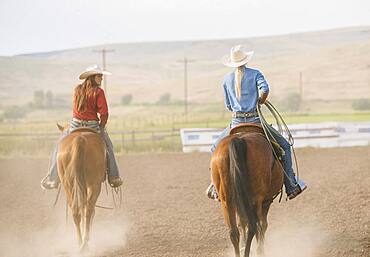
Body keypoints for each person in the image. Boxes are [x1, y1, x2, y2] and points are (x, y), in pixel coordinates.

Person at [206, 45, 306, 201]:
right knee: (285, 146)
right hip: (255, 120)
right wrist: (261, 99)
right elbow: (265, 89)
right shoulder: (255, 74)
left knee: (214, 149)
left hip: (236, 121)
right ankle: (291, 185)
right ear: (246, 60)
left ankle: (214, 185)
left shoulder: (226, 80)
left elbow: (228, 105)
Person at [41, 64, 123, 189]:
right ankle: (114, 177)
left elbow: (76, 109)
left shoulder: (77, 89)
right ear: (92, 77)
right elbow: (104, 113)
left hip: (75, 125)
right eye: (99, 76)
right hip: (93, 126)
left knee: (59, 147)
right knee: (109, 147)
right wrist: (102, 125)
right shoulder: (99, 92)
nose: (101, 78)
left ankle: (52, 178)